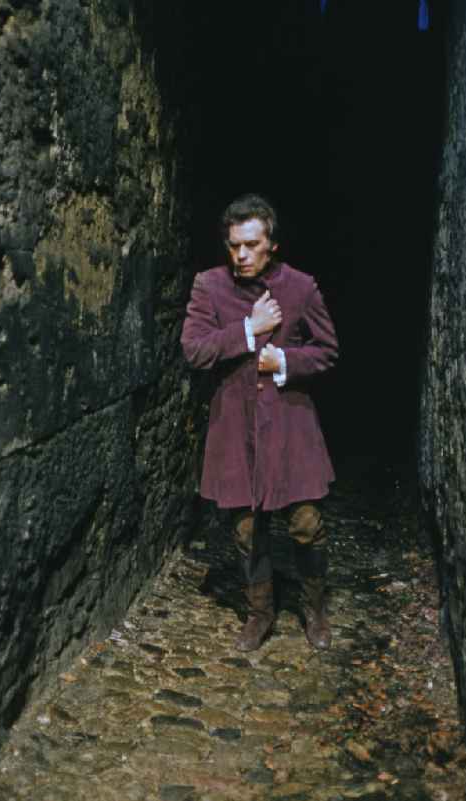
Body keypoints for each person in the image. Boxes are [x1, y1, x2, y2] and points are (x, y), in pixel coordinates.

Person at [181, 194, 339, 651]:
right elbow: (194, 350)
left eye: (251, 245)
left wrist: (286, 359)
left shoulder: (301, 288)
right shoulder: (208, 287)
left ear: (273, 244)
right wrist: (248, 331)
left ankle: (314, 609)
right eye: (233, 246)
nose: (241, 256)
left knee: (306, 523)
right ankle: (260, 613)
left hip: (291, 424)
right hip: (236, 427)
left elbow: (327, 350)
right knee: (247, 530)